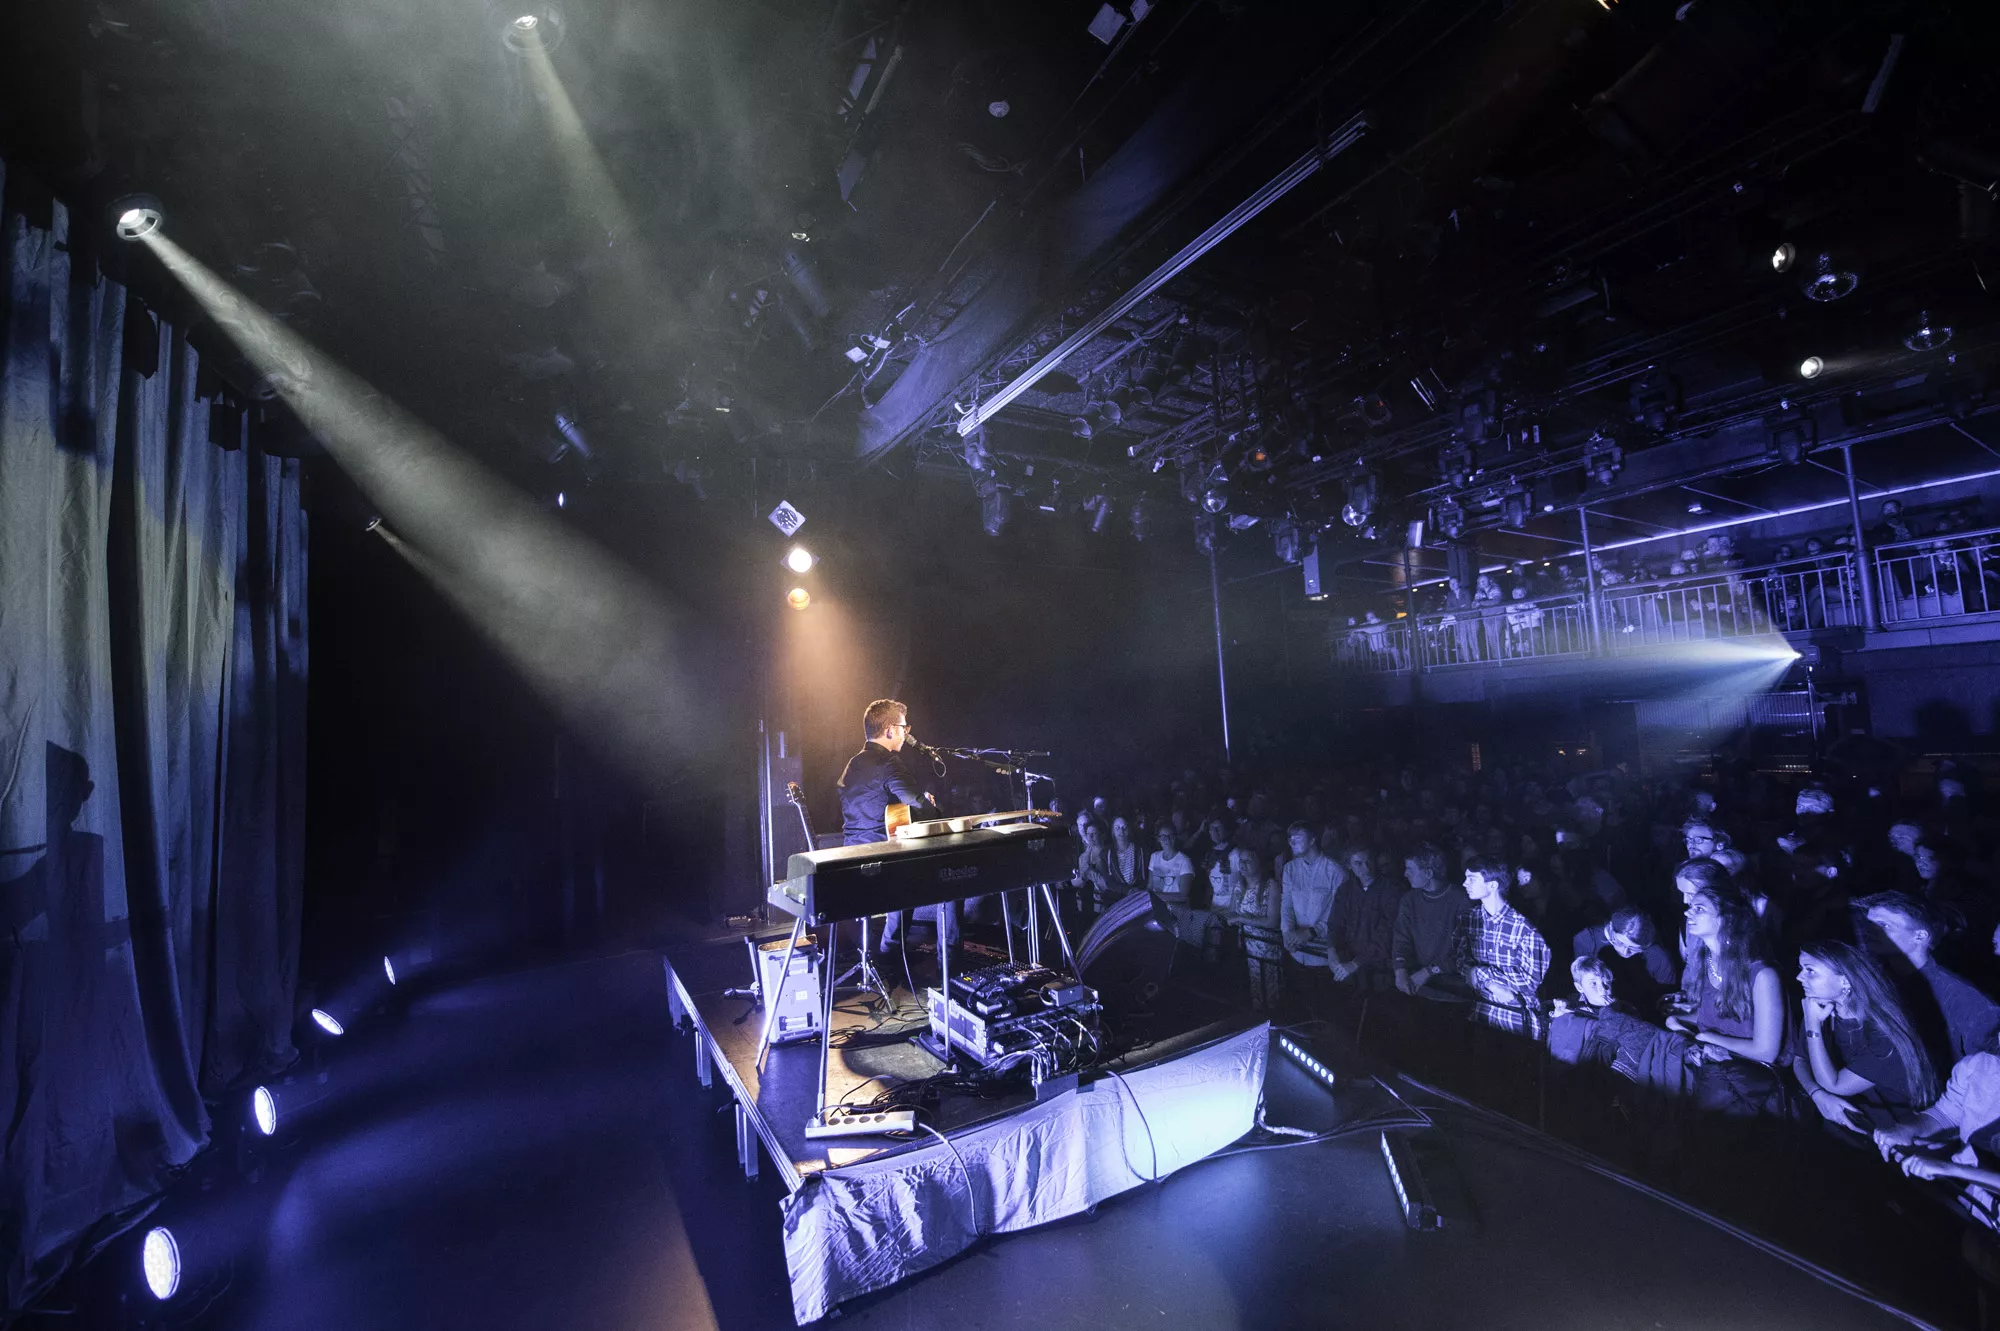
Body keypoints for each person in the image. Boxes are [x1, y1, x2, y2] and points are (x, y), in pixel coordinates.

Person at [1792, 939, 1939, 1134]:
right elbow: (1800, 1059)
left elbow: (1834, 1084)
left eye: (1810, 971)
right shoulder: (1820, 1008)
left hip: (1895, 1132)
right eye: (1801, 968)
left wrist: (1813, 1026)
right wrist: (1817, 1094)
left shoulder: (1884, 1033)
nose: (1799, 977)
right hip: (1845, 1123)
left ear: (1845, 980)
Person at [1667, 882, 1787, 1115]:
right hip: (1716, 1068)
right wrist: (1678, 1019)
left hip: (1751, 1082)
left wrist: (1707, 1038)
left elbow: (1766, 1051)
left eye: (1699, 908)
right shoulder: (1707, 963)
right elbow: (1720, 1017)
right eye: (1691, 908)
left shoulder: (1763, 975)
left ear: (1726, 919)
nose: (1687, 913)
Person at [838, 699, 947, 948]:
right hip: (882, 861)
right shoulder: (888, 763)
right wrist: (929, 805)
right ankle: (894, 951)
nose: (906, 734)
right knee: (950, 880)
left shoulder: (852, 764)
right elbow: (922, 808)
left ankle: (885, 948)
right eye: (903, 728)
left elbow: (877, 808)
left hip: (850, 859)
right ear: (889, 730)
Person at [1858, 891, 2000, 1066]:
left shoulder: (1961, 997)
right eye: (1868, 923)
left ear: (1920, 936)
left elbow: (1989, 1067)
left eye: (1883, 925)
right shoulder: (1873, 980)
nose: (1868, 931)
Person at [1456, 855, 1552, 1037]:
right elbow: (1460, 961)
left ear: (1493, 885)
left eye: (1472, 879)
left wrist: (1479, 974)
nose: (1464, 883)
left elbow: (1529, 982)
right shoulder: (1468, 920)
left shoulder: (1524, 929)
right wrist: (1492, 983)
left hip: (1517, 1022)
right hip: (1482, 1015)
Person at [1329, 845, 1404, 991]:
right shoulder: (1345, 890)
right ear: (1349, 865)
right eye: (1358, 863)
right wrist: (1331, 952)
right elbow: (1335, 924)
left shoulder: (1392, 890)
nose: (1367, 868)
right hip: (1349, 965)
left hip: (1381, 969)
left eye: (1369, 861)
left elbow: (1388, 934)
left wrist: (1357, 963)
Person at [1392, 844, 1462, 1000]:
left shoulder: (1461, 900)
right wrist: (1400, 970)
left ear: (1429, 873)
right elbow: (1401, 938)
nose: (1405, 874)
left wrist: (1430, 970)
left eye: (1410, 869)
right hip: (1419, 989)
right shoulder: (1409, 900)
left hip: (1454, 991)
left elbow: (1466, 952)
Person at [1572, 907, 1678, 1008]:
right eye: (1619, 942)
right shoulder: (1587, 940)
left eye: (1633, 948)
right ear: (1611, 929)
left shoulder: (1659, 957)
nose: (1624, 952)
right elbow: (1583, 985)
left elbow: (1667, 1000)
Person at [1279, 822, 1343, 983]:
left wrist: (1312, 932)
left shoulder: (1335, 870)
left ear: (1313, 839)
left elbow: (1338, 913)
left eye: (1298, 837)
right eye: (1290, 838)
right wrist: (1287, 932)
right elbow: (1286, 904)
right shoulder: (1289, 869)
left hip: (1323, 954)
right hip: (1296, 952)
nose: (1292, 842)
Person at [1230, 847, 1285, 1011]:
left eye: (1248, 860)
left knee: (1271, 994)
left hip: (1267, 949)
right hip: (1246, 948)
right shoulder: (1239, 886)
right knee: (1253, 994)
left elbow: (1272, 921)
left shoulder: (1271, 885)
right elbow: (1231, 913)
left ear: (1259, 862)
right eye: (1241, 860)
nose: (1243, 864)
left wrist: (1242, 919)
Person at [1147, 823, 1198, 942]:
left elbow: (1183, 895)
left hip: (1176, 914)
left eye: (1170, 836)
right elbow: (1150, 886)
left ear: (1175, 837)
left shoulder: (1184, 861)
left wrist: (1157, 897)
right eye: (1163, 836)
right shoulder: (1154, 857)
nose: (1167, 839)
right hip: (1157, 912)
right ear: (1158, 839)